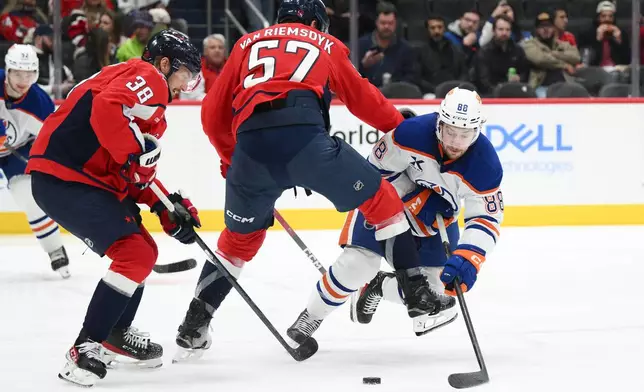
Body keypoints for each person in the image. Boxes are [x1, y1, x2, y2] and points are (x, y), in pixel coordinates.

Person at [173, 0, 439, 362]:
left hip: (251, 151)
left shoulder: (246, 43)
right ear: (317, 22)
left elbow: (212, 114)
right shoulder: (324, 43)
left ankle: (195, 323)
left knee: (236, 244)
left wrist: (230, 158)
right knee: (383, 201)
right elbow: (361, 97)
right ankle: (417, 291)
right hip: (305, 143)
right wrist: (399, 126)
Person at [26, 29, 202, 387]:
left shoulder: (142, 95)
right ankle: (84, 347)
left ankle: (114, 333)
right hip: (66, 174)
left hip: (80, 176)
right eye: (185, 74)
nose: (186, 85)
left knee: (142, 250)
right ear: (165, 64)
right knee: (134, 252)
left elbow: (129, 168)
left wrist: (166, 205)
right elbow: (108, 113)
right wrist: (138, 159)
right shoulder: (148, 77)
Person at [288, 88, 504, 341]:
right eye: (451, 132)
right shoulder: (412, 134)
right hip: (387, 205)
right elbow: (375, 171)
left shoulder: (486, 165)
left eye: (465, 135)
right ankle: (312, 315)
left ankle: (379, 286)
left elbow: (485, 217)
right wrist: (413, 196)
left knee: (437, 291)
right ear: (439, 123)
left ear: (477, 130)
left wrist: (470, 256)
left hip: (435, 220)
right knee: (357, 265)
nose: (456, 143)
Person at [0, 44, 70, 278]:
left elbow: (53, 142)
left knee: (27, 194)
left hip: (17, 151)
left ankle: (55, 249)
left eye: (29, 73)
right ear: (7, 71)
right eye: (18, 73)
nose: (23, 80)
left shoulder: (40, 104)